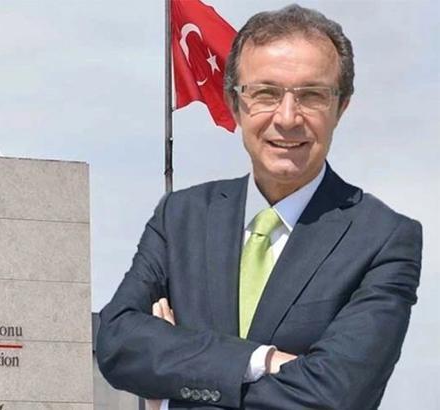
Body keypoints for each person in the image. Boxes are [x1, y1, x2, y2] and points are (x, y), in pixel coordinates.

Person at [95, 4, 422, 410]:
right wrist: (260, 360)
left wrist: (175, 363)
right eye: (265, 93)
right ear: (235, 104)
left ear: (341, 108)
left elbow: (337, 395)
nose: (287, 118)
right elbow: (117, 343)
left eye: (312, 96)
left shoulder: (383, 239)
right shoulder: (181, 217)